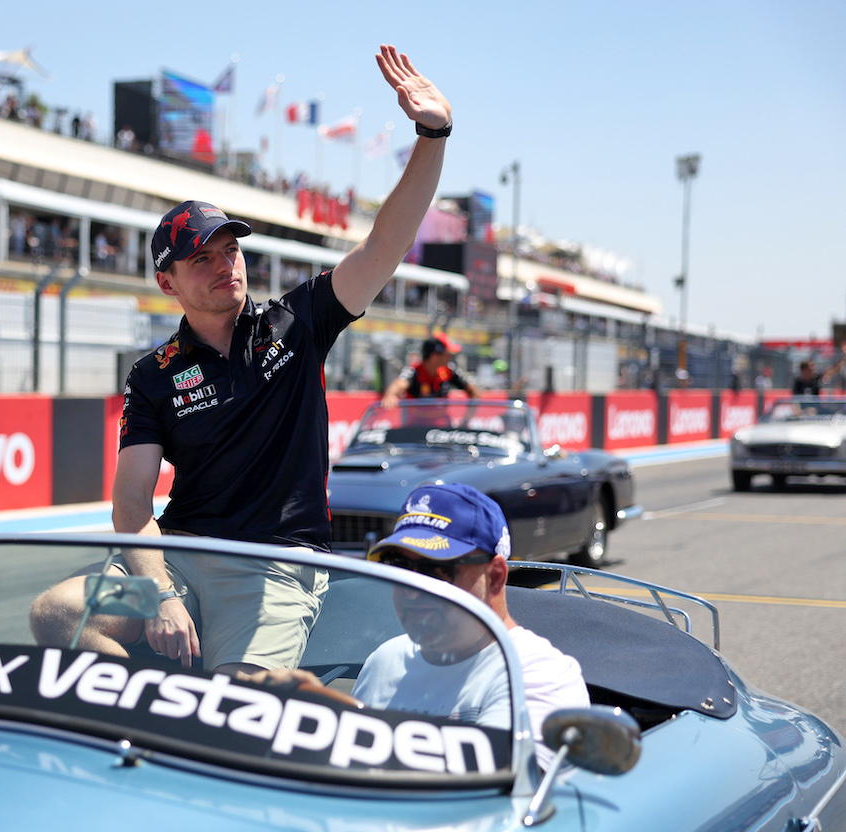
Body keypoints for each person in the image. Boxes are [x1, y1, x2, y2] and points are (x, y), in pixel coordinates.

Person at [30, 44, 453, 678]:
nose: (224, 265)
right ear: (168, 283)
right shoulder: (154, 375)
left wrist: (432, 135)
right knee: (58, 613)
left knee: (236, 702)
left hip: (277, 566)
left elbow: (384, 243)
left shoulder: (301, 320)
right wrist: (163, 595)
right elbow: (132, 505)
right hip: (175, 560)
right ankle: (148, 715)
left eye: (230, 250)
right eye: (201, 258)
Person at [356, 483, 589, 768]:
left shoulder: (538, 675)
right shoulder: (384, 661)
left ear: (496, 577)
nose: (412, 590)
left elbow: (491, 799)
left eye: (437, 570)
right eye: (400, 568)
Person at [381, 332, 480, 408]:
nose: (450, 357)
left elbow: (473, 391)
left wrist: (466, 420)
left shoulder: (450, 370)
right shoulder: (414, 370)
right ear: (434, 356)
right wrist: (390, 395)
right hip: (415, 428)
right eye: (447, 354)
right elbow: (398, 384)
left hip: (442, 430)